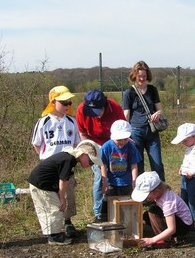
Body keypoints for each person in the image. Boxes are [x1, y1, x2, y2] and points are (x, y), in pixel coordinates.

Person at [28, 140, 102, 245]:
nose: (91, 164)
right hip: (41, 186)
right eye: (91, 161)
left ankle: (53, 234)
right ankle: (54, 236)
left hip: (45, 185)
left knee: (54, 208)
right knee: (54, 209)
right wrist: (63, 198)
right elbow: (63, 180)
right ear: (83, 154)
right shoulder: (68, 159)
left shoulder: (70, 159)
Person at [31, 85, 80, 237]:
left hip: (67, 167)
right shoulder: (44, 121)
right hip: (51, 167)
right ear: (53, 102)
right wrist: (46, 159)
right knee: (52, 198)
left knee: (67, 194)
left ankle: (68, 222)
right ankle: (54, 228)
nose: (68, 106)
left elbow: (76, 144)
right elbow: (36, 144)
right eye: (64, 102)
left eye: (69, 102)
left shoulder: (72, 122)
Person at [76, 89, 126, 223]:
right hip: (95, 145)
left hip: (114, 144)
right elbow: (83, 133)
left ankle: (119, 208)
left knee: (117, 175)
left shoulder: (115, 108)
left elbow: (124, 131)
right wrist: (90, 151)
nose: (95, 116)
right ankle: (99, 213)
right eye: (92, 113)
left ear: (104, 105)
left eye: (98, 112)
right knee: (100, 177)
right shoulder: (81, 110)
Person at [122, 61, 165, 181]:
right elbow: (126, 114)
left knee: (157, 164)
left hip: (152, 131)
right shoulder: (128, 93)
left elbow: (160, 110)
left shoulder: (152, 90)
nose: (142, 79)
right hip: (136, 132)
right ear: (134, 75)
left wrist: (157, 113)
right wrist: (126, 134)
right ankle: (141, 194)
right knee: (138, 165)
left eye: (144, 76)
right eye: (139, 76)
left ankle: (161, 193)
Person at [131, 171, 193, 248]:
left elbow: (171, 229)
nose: (146, 199)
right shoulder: (160, 194)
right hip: (178, 221)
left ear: (156, 191)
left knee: (153, 211)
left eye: (147, 196)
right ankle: (162, 236)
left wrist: (152, 240)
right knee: (147, 215)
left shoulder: (168, 201)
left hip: (183, 226)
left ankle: (167, 240)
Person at [100, 119, 142, 220]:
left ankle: (126, 222)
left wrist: (134, 180)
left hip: (126, 181)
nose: (122, 142)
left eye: (125, 139)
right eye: (119, 139)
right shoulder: (106, 147)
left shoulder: (130, 147)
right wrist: (104, 180)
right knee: (108, 202)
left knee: (125, 204)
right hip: (111, 181)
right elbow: (103, 165)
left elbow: (134, 165)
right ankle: (106, 220)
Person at [171, 123, 195, 231]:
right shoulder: (188, 149)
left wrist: (192, 172)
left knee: (194, 200)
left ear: (194, 136)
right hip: (185, 178)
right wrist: (182, 168)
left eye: (185, 140)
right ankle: (187, 218)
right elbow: (186, 161)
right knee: (185, 198)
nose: (184, 142)